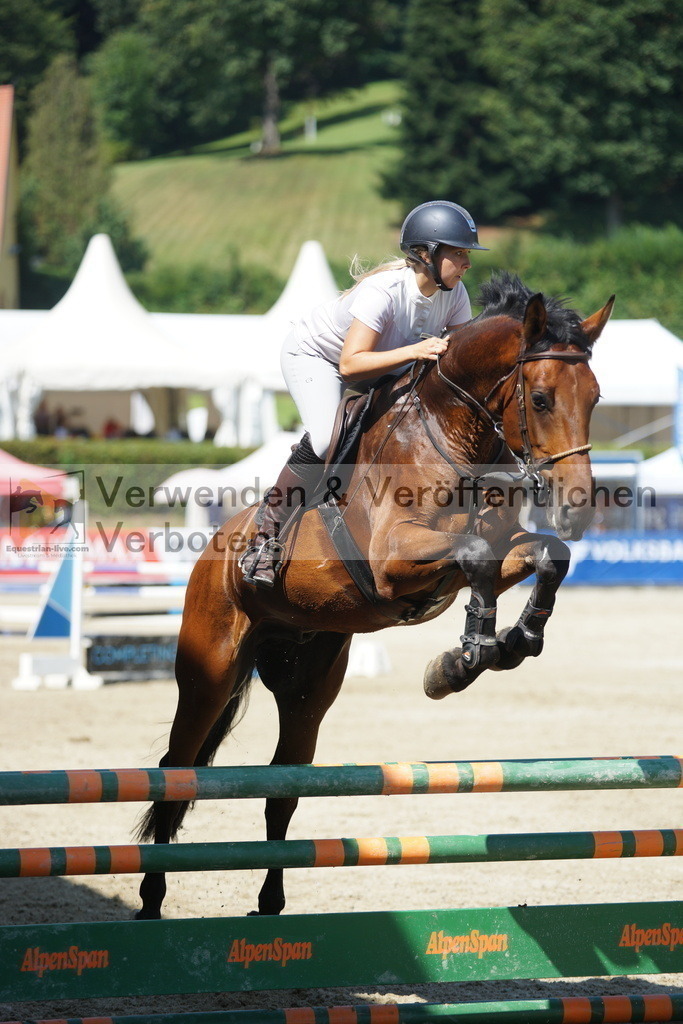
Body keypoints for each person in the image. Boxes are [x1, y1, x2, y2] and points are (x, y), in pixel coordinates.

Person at [240, 199, 489, 587]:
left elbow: (455, 361)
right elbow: (351, 365)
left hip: (386, 362)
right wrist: (415, 351)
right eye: (459, 253)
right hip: (318, 357)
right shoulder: (384, 291)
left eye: (467, 254)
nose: (467, 263)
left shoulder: (455, 293)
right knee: (325, 438)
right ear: (426, 254)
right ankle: (265, 537)